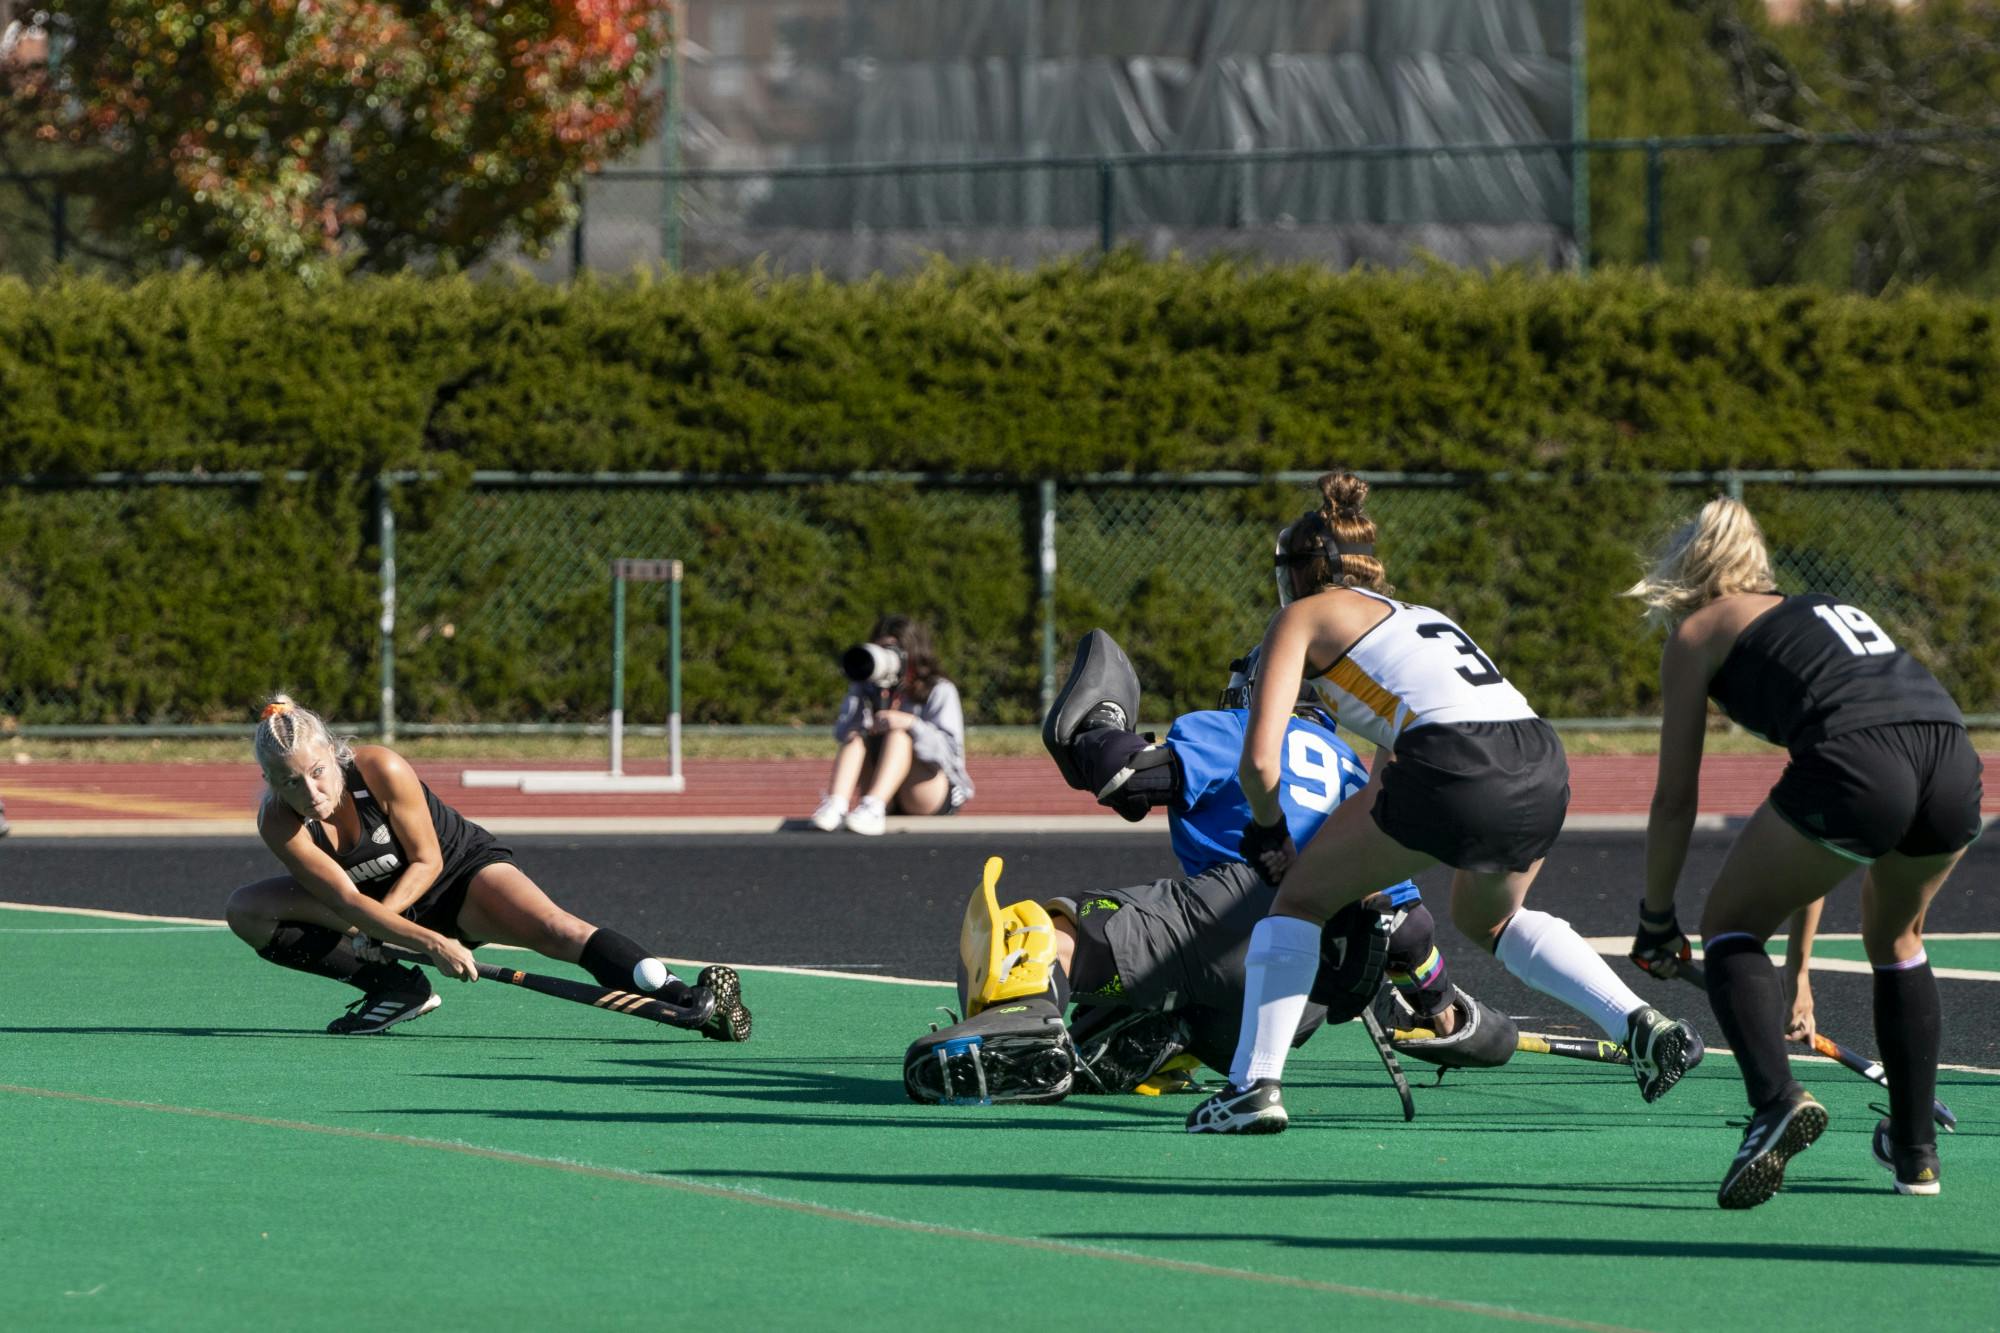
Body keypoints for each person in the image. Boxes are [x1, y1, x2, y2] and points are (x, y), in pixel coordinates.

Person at [1186, 471, 1704, 1136]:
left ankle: (1252, 1086)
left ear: (1297, 573)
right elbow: (1387, 775)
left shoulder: (1301, 616)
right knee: (1489, 917)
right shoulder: (1418, 618)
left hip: (1452, 758)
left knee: (1301, 902)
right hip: (1539, 759)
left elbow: (1260, 760)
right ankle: (1639, 1024)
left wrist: (1270, 831)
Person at [903, 631, 1518, 1107]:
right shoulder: (1360, 777)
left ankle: (1017, 1020)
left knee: (1042, 927)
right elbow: (1407, 928)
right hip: (1294, 1002)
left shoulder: (1243, 728)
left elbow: (1128, 779)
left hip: (1243, 915)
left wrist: (1099, 729)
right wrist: (1443, 1012)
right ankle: (1160, 1043)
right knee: (1143, 996)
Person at [1624, 497, 1981, 1208]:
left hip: (1861, 759)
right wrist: (1797, 974)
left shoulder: (1698, 631)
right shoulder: (1814, 612)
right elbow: (1817, 845)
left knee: (1729, 921)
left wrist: (1657, 916)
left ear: (1684, 569)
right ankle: (1916, 1155)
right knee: (1898, 938)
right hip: (1952, 755)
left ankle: (1776, 1101)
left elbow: (1673, 799)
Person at [226, 695, 753, 1040]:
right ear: (271, 781)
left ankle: (680, 995)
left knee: (557, 929)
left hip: (458, 877)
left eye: (317, 773)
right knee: (248, 910)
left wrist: (413, 932)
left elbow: (428, 859)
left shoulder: (378, 768)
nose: (311, 793)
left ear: (333, 756)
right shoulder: (279, 822)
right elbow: (345, 901)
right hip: (374, 907)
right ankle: (394, 989)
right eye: (290, 783)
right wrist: (413, 939)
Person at [808, 614, 973, 835]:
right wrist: (859, 691)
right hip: (885, 790)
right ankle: (836, 806)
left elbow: (951, 755)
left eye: (892, 650)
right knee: (855, 735)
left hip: (926, 792)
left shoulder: (939, 689)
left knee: (899, 735)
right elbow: (842, 733)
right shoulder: (868, 689)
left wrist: (912, 724)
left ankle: (873, 808)